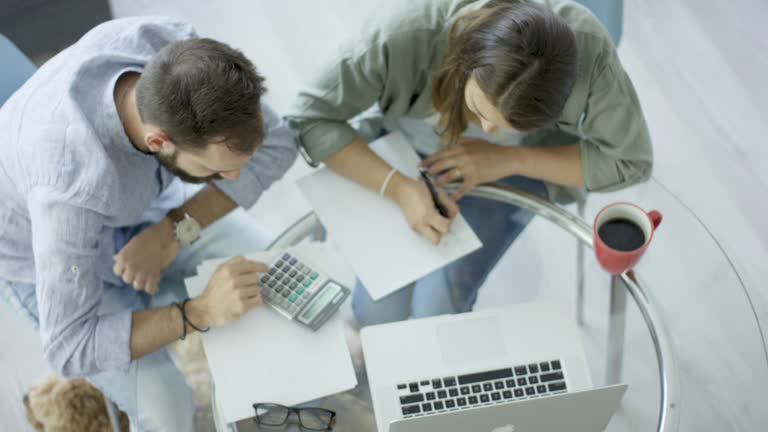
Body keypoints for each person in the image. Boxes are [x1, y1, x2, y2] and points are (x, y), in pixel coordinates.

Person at [0, 17, 297, 431]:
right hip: (39, 251)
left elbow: (279, 145)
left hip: (146, 211)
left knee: (274, 272)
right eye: (216, 171)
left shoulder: (180, 55)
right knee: (167, 406)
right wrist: (199, 311)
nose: (235, 178)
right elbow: (71, 346)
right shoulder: (68, 183)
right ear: (158, 141)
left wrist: (174, 229)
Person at [285, 0, 652, 327]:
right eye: (478, 111)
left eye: (511, 126)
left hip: (515, 169)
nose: (490, 130)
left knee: (438, 313)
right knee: (378, 315)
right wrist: (398, 187)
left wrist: (509, 157)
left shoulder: (588, 52)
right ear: (464, 56)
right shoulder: (401, 34)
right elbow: (307, 118)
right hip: (405, 151)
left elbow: (630, 161)